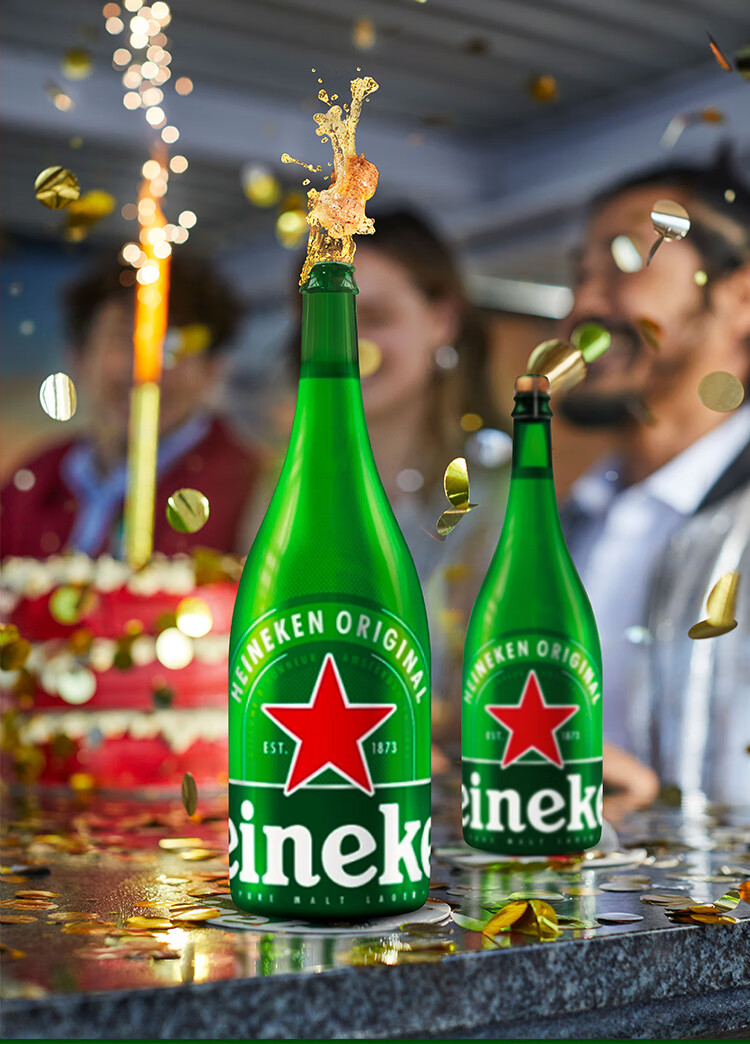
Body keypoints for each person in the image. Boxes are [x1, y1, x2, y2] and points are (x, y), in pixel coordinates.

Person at [559, 147, 750, 807]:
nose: (582, 304)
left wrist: (659, 822)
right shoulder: (565, 524)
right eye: (578, 275)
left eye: (627, 258)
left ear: (741, 297)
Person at [1, 253, 262, 559]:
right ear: (79, 357)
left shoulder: (252, 491)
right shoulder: (31, 482)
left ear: (212, 369)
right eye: (126, 338)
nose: (147, 369)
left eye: (173, 345)